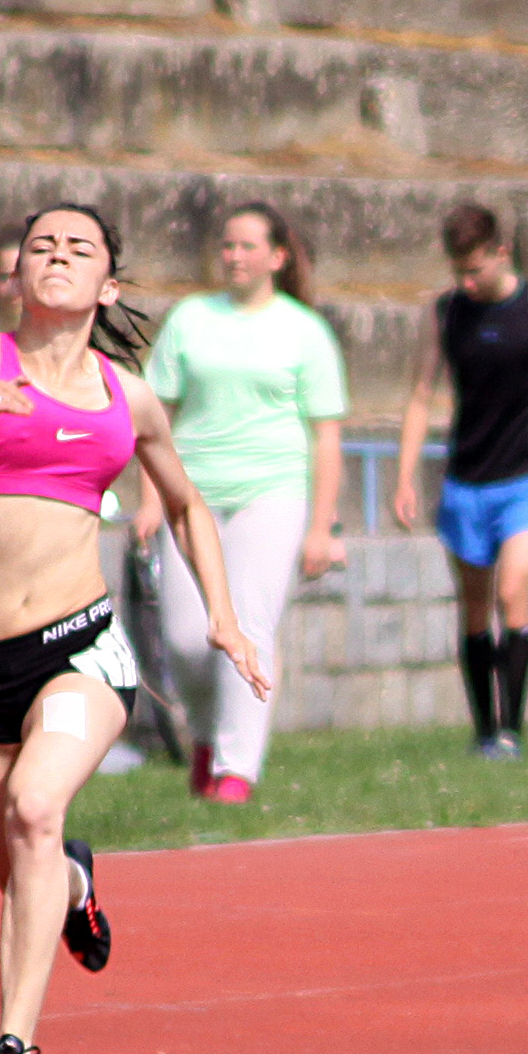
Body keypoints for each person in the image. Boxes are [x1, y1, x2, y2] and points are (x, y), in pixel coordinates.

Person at [0, 200, 262, 1054]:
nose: (56, 255)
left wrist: (226, 618)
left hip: (79, 645)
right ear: (16, 274)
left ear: (106, 285)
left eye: (78, 247)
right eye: (41, 244)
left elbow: (187, 504)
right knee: (26, 878)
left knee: (35, 807)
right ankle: (78, 880)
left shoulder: (128, 397)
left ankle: (13, 1047)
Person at [138, 203, 347, 804]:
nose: (234, 256)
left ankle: (236, 770)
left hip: (271, 493)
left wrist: (322, 527)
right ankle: (206, 737)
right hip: (192, 494)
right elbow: (153, 415)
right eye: (227, 245)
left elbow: (326, 434)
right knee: (186, 637)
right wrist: (149, 499)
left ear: (277, 257)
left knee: (249, 624)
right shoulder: (190, 318)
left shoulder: (305, 330)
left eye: (248, 246)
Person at [389, 203, 528, 757]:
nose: (467, 282)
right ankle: (484, 730)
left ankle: (511, 730)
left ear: (501, 253)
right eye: (458, 271)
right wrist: (404, 477)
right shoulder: (444, 313)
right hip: (466, 479)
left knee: (512, 591)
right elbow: (420, 396)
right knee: (474, 605)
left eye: (476, 270)